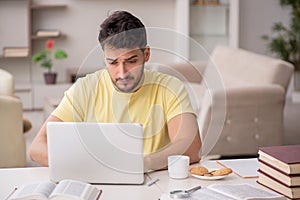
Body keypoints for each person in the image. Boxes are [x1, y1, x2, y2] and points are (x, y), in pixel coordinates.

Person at [29, 10, 201, 171]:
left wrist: (141, 164)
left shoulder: (170, 88)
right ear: (104, 58)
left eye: (131, 61)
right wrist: (90, 165)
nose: (122, 73)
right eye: (113, 63)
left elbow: (191, 147)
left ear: (146, 54)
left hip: (153, 183)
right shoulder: (85, 88)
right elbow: (37, 147)